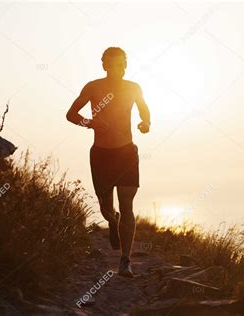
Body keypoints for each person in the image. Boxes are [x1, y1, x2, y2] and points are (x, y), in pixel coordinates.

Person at [66, 47, 150, 277]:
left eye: (121, 64)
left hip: (126, 153)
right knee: (106, 208)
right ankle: (112, 222)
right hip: (101, 154)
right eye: (112, 65)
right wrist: (89, 123)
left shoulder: (134, 88)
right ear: (104, 65)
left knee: (127, 205)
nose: (117, 69)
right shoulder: (93, 87)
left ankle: (125, 260)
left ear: (126, 65)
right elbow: (71, 114)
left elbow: (145, 111)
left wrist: (146, 124)